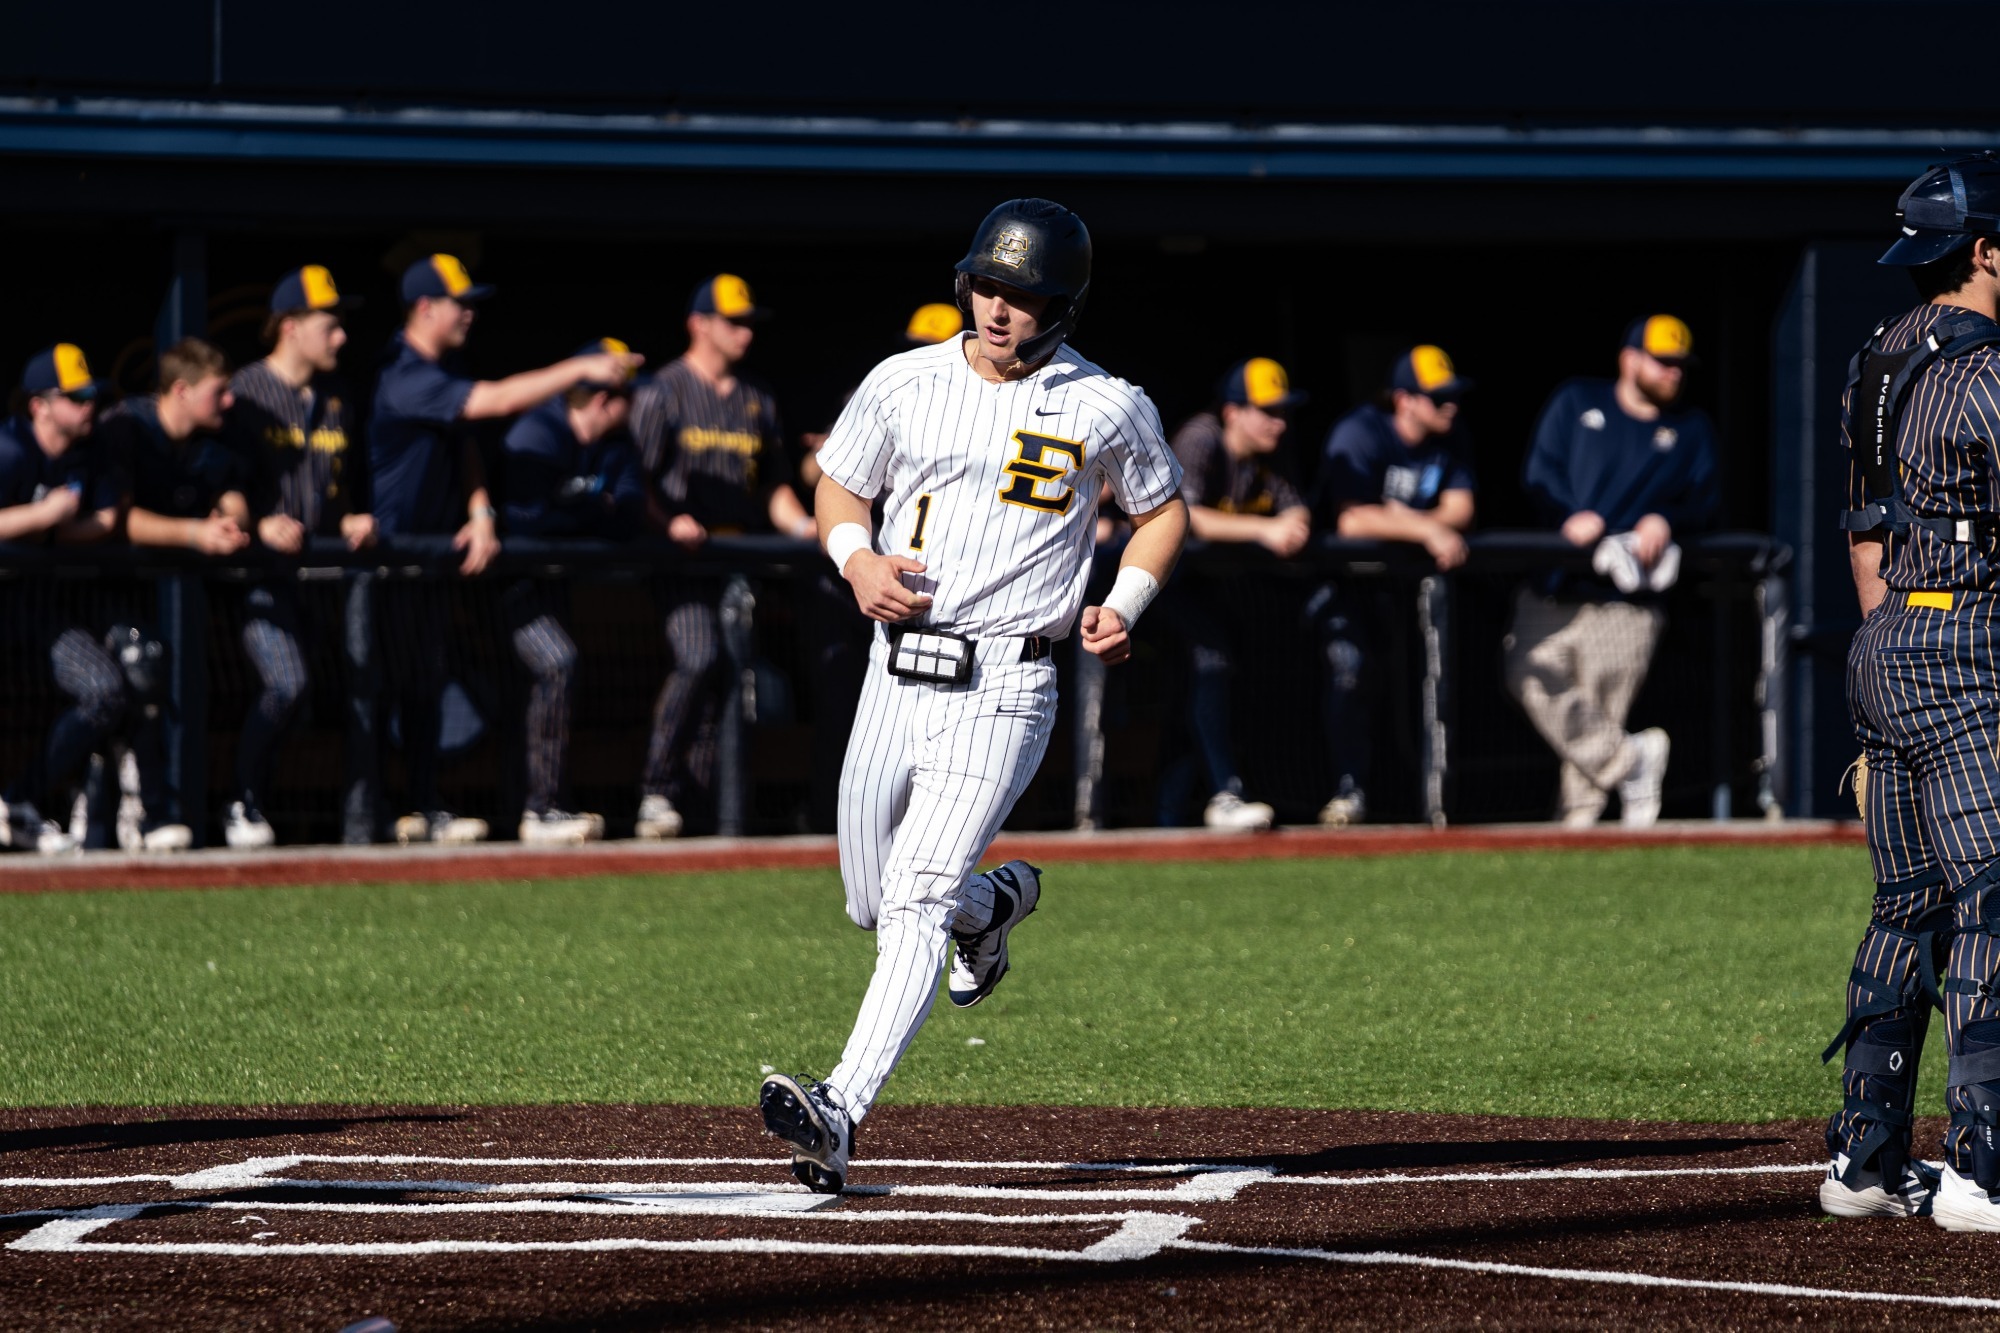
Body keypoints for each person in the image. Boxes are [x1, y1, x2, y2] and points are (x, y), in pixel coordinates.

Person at [758, 198, 1188, 1194]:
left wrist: (1125, 599)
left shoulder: (1105, 403)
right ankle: (991, 903)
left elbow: (1161, 510)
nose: (998, 308)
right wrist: (852, 557)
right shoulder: (902, 378)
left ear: (1061, 305)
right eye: (987, 286)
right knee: (875, 900)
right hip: (893, 671)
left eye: (1022, 293)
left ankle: (839, 1106)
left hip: (1005, 681)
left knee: (911, 895)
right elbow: (838, 485)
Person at [1820, 154, 2000, 1230]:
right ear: (1981, 251)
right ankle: (1983, 1164)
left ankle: (1864, 1158)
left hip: (1887, 638)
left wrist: (1892, 651)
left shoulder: (1873, 362)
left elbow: (1863, 538)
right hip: (1970, 638)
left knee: (1906, 907)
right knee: (1993, 899)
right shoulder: (1986, 374)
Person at [369, 253, 640, 845]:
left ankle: (426, 805)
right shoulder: (404, 370)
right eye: (459, 304)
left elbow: (465, 442)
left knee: (427, 682)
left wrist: (479, 510)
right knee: (383, 689)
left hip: (445, 555)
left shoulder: (445, 365)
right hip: (387, 558)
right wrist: (579, 368)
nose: (469, 314)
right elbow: (488, 403)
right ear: (424, 309)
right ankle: (375, 817)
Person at [1507, 315, 1718, 828]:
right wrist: (1566, 515)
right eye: (1663, 362)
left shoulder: (1690, 429)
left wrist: (1665, 519)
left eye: (1680, 365)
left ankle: (1576, 835)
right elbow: (1539, 475)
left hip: (1629, 600)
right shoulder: (1578, 401)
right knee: (1526, 673)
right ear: (1630, 359)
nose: (1673, 373)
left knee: (1599, 713)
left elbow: (1706, 503)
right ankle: (1631, 761)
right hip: (1557, 587)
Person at [628, 274, 812, 839]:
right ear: (698, 324)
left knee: (731, 680)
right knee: (699, 657)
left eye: (749, 323)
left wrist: (806, 525)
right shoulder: (662, 390)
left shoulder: (756, 398)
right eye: (733, 322)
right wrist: (667, 520)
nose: (744, 334)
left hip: (739, 560)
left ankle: (708, 809)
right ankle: (657, 792)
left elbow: (775, 486)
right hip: (681, 560)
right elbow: (635, 480)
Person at [228, 264, 375, 846]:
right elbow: (223, 482)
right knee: (286, 683)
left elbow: (343, 486)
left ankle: (274, 808)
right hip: (256, 575)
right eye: (329, 325)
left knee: (316, 695)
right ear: (290, 327)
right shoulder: (245, 391)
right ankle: (242, 802)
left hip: (321, 578)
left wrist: (354, 515)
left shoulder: (339, 396)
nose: (340, 337)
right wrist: (257, 521)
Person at [1310, 345, 1476, 825]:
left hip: (1398, 593)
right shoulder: (1360, 431)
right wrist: (1425, 528)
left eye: (1452, 395)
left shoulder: (1451, 435)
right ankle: (1347, 790)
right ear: (1404, 399)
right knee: (1348, 673)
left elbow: (1461, 508)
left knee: (1414, 687)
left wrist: (1400, 520)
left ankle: (1420, 803)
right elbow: (1353, 521)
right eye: (1437, 397)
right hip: (1339, 586)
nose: (1450, 405)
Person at [101, 336, 253, 852]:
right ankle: (114, 812)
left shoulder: (212, 438)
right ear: (183, 390)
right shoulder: (128, 426)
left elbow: (232, 495)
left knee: (161, 690)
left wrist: (231, 520)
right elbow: (118, 519)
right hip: (99, 595)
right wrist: (194, 534)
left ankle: (150, 812)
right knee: (122, 691)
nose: (228, 402)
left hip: (171, 601)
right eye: (219, 392)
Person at [499, 339, 646, 845]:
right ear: (604, 400)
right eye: (625, 396)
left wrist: (578, 512)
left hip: (557, 588)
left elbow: (627, 513)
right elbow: (525, 521)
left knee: (561, 670)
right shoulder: (538, 431)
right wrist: (590, 510)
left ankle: (544, 805)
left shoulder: (616, 444)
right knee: (557, 663)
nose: (632, 407)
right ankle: (540, 808)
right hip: (503, 587)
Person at [1157, 357, 1310, 831]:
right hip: (1154, 587)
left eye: (1283, 412)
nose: (1278, 422)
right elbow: (1188, 515)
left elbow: (1297, 515)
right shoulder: (1201, 436)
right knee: (1210, 666)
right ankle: (1224, 793)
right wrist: (1264, 531)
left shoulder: (1270, 452)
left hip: (1205, 595)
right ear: (1232, 412)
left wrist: (1289, 525)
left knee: (1206, 689)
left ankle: (1172, 818)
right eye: (1267, 411)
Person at [0, 345, 129, 852]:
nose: (88, 406)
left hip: (38, 608)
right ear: (39, 406)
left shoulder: (88, 452)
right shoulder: (9, 450)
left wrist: (52, 530)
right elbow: (58, 517)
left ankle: (20, 802)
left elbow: (103, 522)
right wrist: (43, 519)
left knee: (104, 688)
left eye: (90, 395)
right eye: (75, 398)